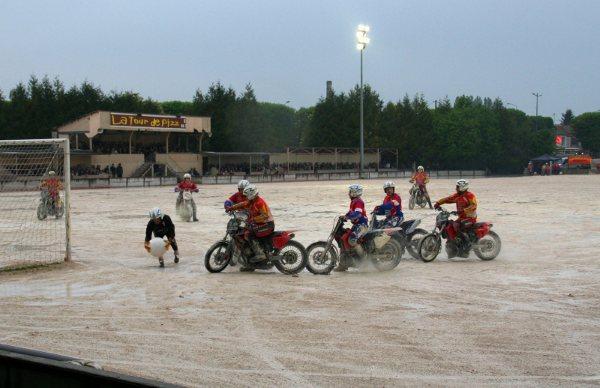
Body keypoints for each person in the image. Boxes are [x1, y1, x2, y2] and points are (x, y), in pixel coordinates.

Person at [229, 184, 274, 260]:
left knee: (249, 234)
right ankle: (250, 261)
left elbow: (265, 216)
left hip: (267, 225)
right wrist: (231, 208)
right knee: (242, 232)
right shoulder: (251, 201)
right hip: (258, 223)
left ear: (251, 195)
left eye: (246, 196)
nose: (245, 197)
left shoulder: (259, 203)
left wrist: (252, 220)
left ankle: (260, 254)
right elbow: (242, 204)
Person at [335, 184, 369, 272]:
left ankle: (364, 259)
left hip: (362, 226)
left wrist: (347, 217)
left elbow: (358, 214)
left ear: (354, 192)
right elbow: (350, 213)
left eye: (350, 192)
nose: (348, 193)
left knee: (352, 240)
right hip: (357, 225)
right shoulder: (353, 201)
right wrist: (344, 216)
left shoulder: (358, 202)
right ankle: (343, 264)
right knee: (343, 239)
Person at [434, 179, 477, 245]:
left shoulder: (470, 195)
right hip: (461, 217)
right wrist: (438, 203)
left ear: (462, 187)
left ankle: (466, 244)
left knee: (458, 227)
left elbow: (474, 205)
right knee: (451, 226)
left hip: (470, 218)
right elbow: (448, 199)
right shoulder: (457, 195)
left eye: (457, 187)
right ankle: (454, 242)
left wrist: (464, 210)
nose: (456, 188)